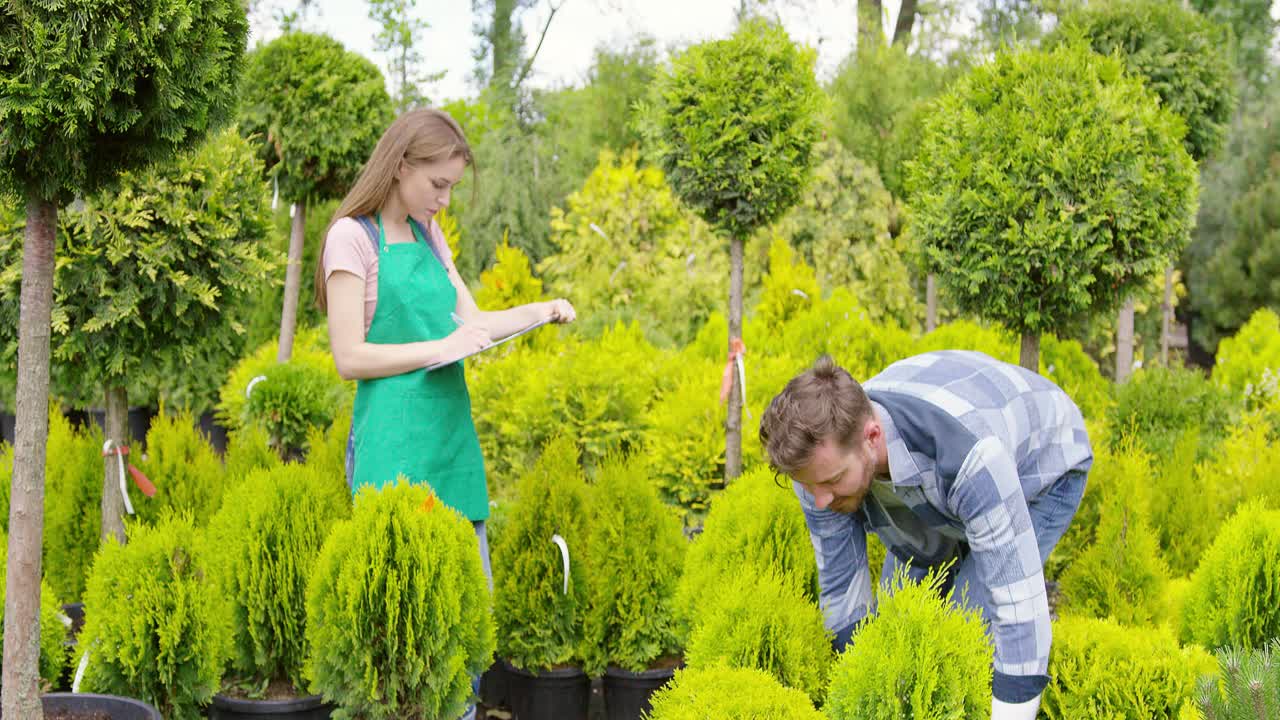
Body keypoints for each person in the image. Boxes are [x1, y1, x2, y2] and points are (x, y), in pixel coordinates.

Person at [315, 108, 575, 720]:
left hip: (450, 444)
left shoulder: (431, 237)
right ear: (401, 166)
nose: (445, 200)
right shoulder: (351, 238)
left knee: (466, 623)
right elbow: (349, 357)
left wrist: (541, 309)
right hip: (392, 448)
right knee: (403, 634)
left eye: (452, 187)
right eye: (438, 184)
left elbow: (472, 323)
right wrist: (439, 349)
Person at [759, 351, 1091, 720]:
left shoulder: (969, 457)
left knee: (962, 630)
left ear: (872, 437)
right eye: (811, 487)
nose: (819, 501)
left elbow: (1018, 611)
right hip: (943, 468)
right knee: (900, 630)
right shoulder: (820, 462)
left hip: (1044, 464)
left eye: (833, 481)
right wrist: (860, 694)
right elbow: (842, 589)